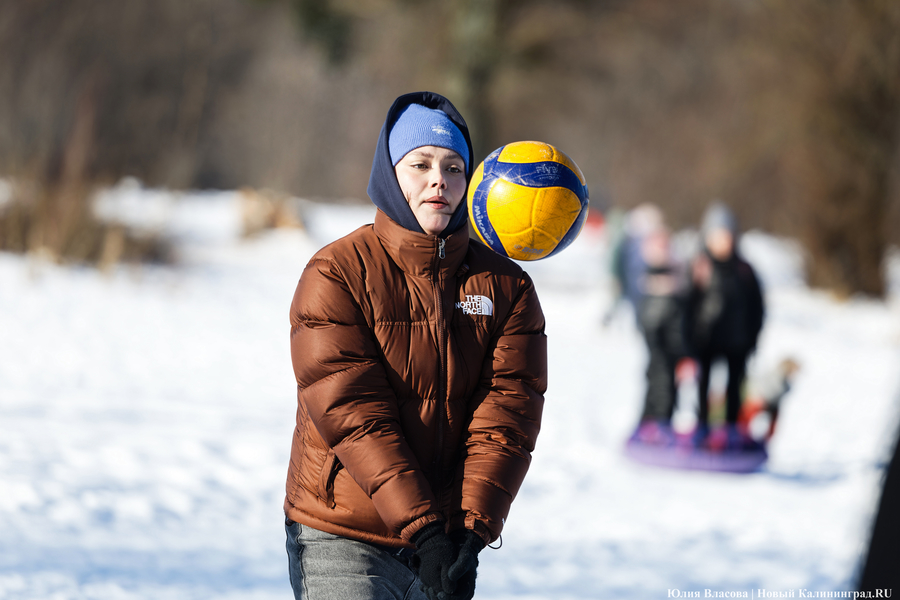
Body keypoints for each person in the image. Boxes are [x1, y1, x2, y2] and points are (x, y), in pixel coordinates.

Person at [283, 91, 548, 600]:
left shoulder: (507, 287)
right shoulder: (336, 273)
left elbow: (509, 413)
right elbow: (355, 414)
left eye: (453, 167)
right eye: (420, 164)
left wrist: (472, 531)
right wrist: (424, 530)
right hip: (343, 531)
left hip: (448, 538)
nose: (439, 180)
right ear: (389, 174)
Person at [684, 202, 765, 450]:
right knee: (703, 384)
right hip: (705, 341)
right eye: (717, 236)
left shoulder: (745, 271)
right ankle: (703, 427)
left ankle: (731, 429)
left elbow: (757, 308)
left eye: (727, 236)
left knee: (734, 386)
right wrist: (687, 342)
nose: (723, 243)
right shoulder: (698, 269)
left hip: (737, 342)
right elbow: (688, 307)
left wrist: (753, 339)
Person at [630, 222, 689, 445]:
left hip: (670, 343)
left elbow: (678, 321)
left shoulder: (676, 281)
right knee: (658, 378)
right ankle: (653, 423)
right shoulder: (651, 283)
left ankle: (657, 423)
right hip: (657, 342)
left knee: (664, 380)